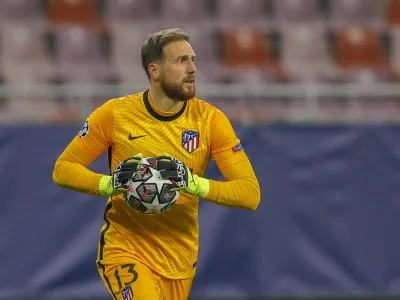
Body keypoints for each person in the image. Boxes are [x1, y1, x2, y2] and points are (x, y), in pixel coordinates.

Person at [53, 28, 260, 300]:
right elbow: (63, 168)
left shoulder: (211, 121)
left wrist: (192, 183)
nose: (193, 68)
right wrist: (108, 184)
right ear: (154, 71)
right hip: (125, 249)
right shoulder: (115, 114)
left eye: (193, 59)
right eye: (181, 60)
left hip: (180, 260)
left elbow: (250, 194)